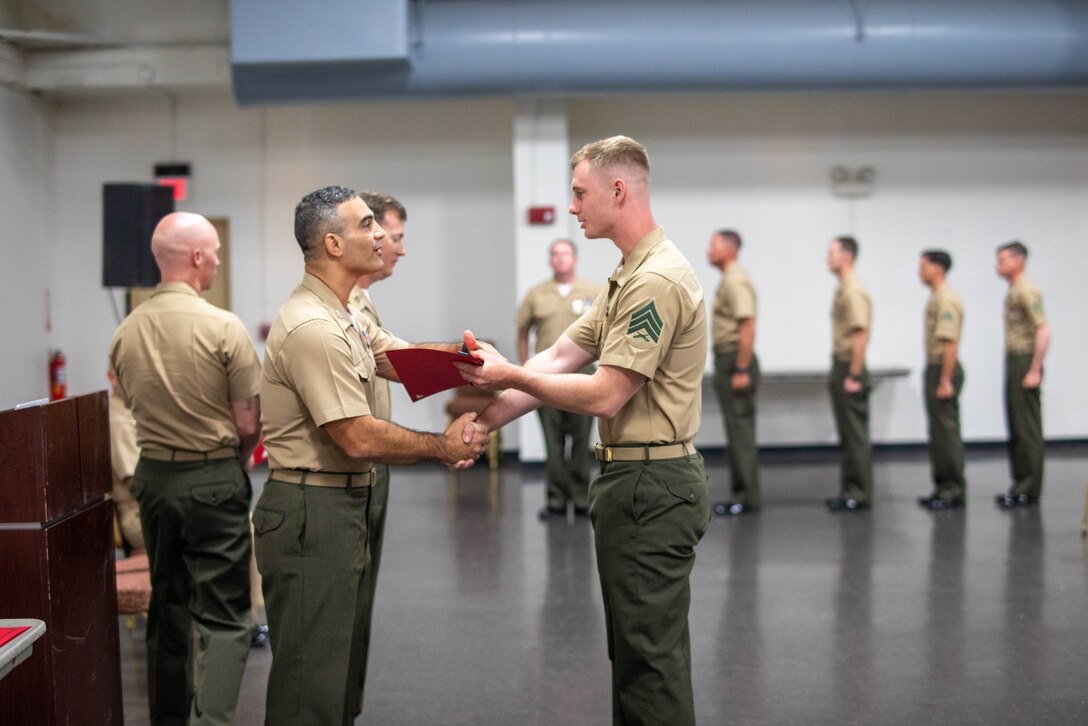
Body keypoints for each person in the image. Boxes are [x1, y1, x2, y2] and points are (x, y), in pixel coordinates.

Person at [456, 136, 710, 726]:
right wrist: (485, 421)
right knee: (632, 651)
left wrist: (508, 372)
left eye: (579, 193)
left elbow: (606, 392)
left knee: (650, 663)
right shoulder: (627, 274)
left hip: (654, 482)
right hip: (632, 478)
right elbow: (561, 356)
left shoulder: (656, 281)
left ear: (618, 191)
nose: (571, 207)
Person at [253, 185, 488, 725]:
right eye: (367, 226)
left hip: (338, 506)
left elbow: (397, 358)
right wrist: (441, 446)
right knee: (307, 686)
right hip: (313, 512)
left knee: (335, 669)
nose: (381, 235)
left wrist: (474, 360)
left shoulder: (344, 312)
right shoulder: (313, 326)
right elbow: (357, 437)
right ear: (333, 244)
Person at [108, 211, 262, 726]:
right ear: (196, 258)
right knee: (225, 619)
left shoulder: (125, 333)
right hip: (212, 478)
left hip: (153, 481)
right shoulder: (224, 327)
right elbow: (247, 422)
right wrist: (232, 464)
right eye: (215, 250)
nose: (217, 259)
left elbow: (130, 405)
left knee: (167, 611)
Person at [346, 189, 407, 704]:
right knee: (348, 598)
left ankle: (348, 705)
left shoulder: (363, 302)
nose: (400, 249)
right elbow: (398, 362)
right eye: (395, 235)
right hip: (353, 466)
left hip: (373, 463)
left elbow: (398, 358)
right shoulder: (340, 305)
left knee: (360, 595)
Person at [515, 238, 600, 519]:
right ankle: (555, 501)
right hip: (545, 377)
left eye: (565, 254)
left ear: (574, 259)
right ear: (550, 260)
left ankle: (581, 499)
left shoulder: (592, 291)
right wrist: (526, 369)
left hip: (583, 376)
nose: (560, 259)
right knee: (552, 443)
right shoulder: (537, 294)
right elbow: (522, 332)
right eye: (555, 254)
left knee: (580, 440)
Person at [707, 229, 761, 516]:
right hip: (728, 360)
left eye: (713, 245)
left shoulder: (736, 280)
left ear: (729, 249)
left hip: (734, 361)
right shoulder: (729, 280)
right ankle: (743, 492)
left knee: (740, 431)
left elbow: (747, 325)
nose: (708, 251)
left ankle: (746, 496)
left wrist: (741, 367)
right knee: (737, 429)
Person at [994, 240, 1049, 508]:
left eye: (1002, 260)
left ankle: (1029, 487)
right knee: (1017, 426)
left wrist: (1035, 369)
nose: (998, 265)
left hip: (1025, 359)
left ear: (1018, 261)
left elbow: (1043, 330)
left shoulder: (1027, 290)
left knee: (1026, 428)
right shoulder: (1014, 290)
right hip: (1015, 360)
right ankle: (1020, 484)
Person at [825, 235, 873, 512]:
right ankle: (851, 489)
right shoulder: (845, 288)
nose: (827, 257)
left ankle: (859, 491)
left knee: (854, 434)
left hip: (849, 366)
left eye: (832, 252)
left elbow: (860, 334)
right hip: (842, 364)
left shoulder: (853, 289)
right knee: (849, 433)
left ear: (847, 256)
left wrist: (854, 375)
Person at [916, 249, 967, 510]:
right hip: (936, 368)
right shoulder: (937, 297)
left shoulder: (945, 299)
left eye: (923, 265)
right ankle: (943, 486)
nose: (919, 270)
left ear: (938, 268)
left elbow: (950, 343)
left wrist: (945, 380)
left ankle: (952, 489)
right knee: (938, 432)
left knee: (946, 433)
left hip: (942, 369)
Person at [107, 367, 144, 553]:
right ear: (112, 377)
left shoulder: (131, 410)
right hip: (139, 516)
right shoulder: (118, 421)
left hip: (148, 511)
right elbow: (135, 483)